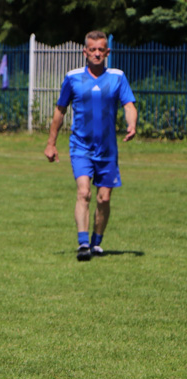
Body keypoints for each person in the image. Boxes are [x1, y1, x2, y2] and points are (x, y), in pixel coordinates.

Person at [44, 30, 137, 261]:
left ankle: (97, 242)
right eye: (92, 49)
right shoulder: (73, 77)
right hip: (80, 147)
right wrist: (51, 143)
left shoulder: (117, 77)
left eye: (101, 50)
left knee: (103, 198)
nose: (96, 54)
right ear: (84, 51)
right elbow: (60, 110)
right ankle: (83, 243)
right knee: (84, 192)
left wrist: (132, 124)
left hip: (107, 149)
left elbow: (129, 105)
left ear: (108, 52)